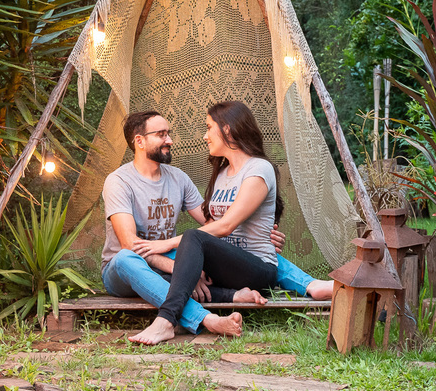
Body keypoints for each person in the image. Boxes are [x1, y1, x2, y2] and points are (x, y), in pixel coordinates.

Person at [99, 109, 333, 345]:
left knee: (224, 245)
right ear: (139, 141)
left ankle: (306, 285)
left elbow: (214, 224)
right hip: (124, 269)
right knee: (126, 259)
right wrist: (179, 267)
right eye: (161, 134)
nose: (169, 140)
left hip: (163, 256)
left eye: (168, 133)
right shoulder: (119, 181)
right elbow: (130, 245)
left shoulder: (178, 178)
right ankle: (206, 319)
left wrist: (257, 234)